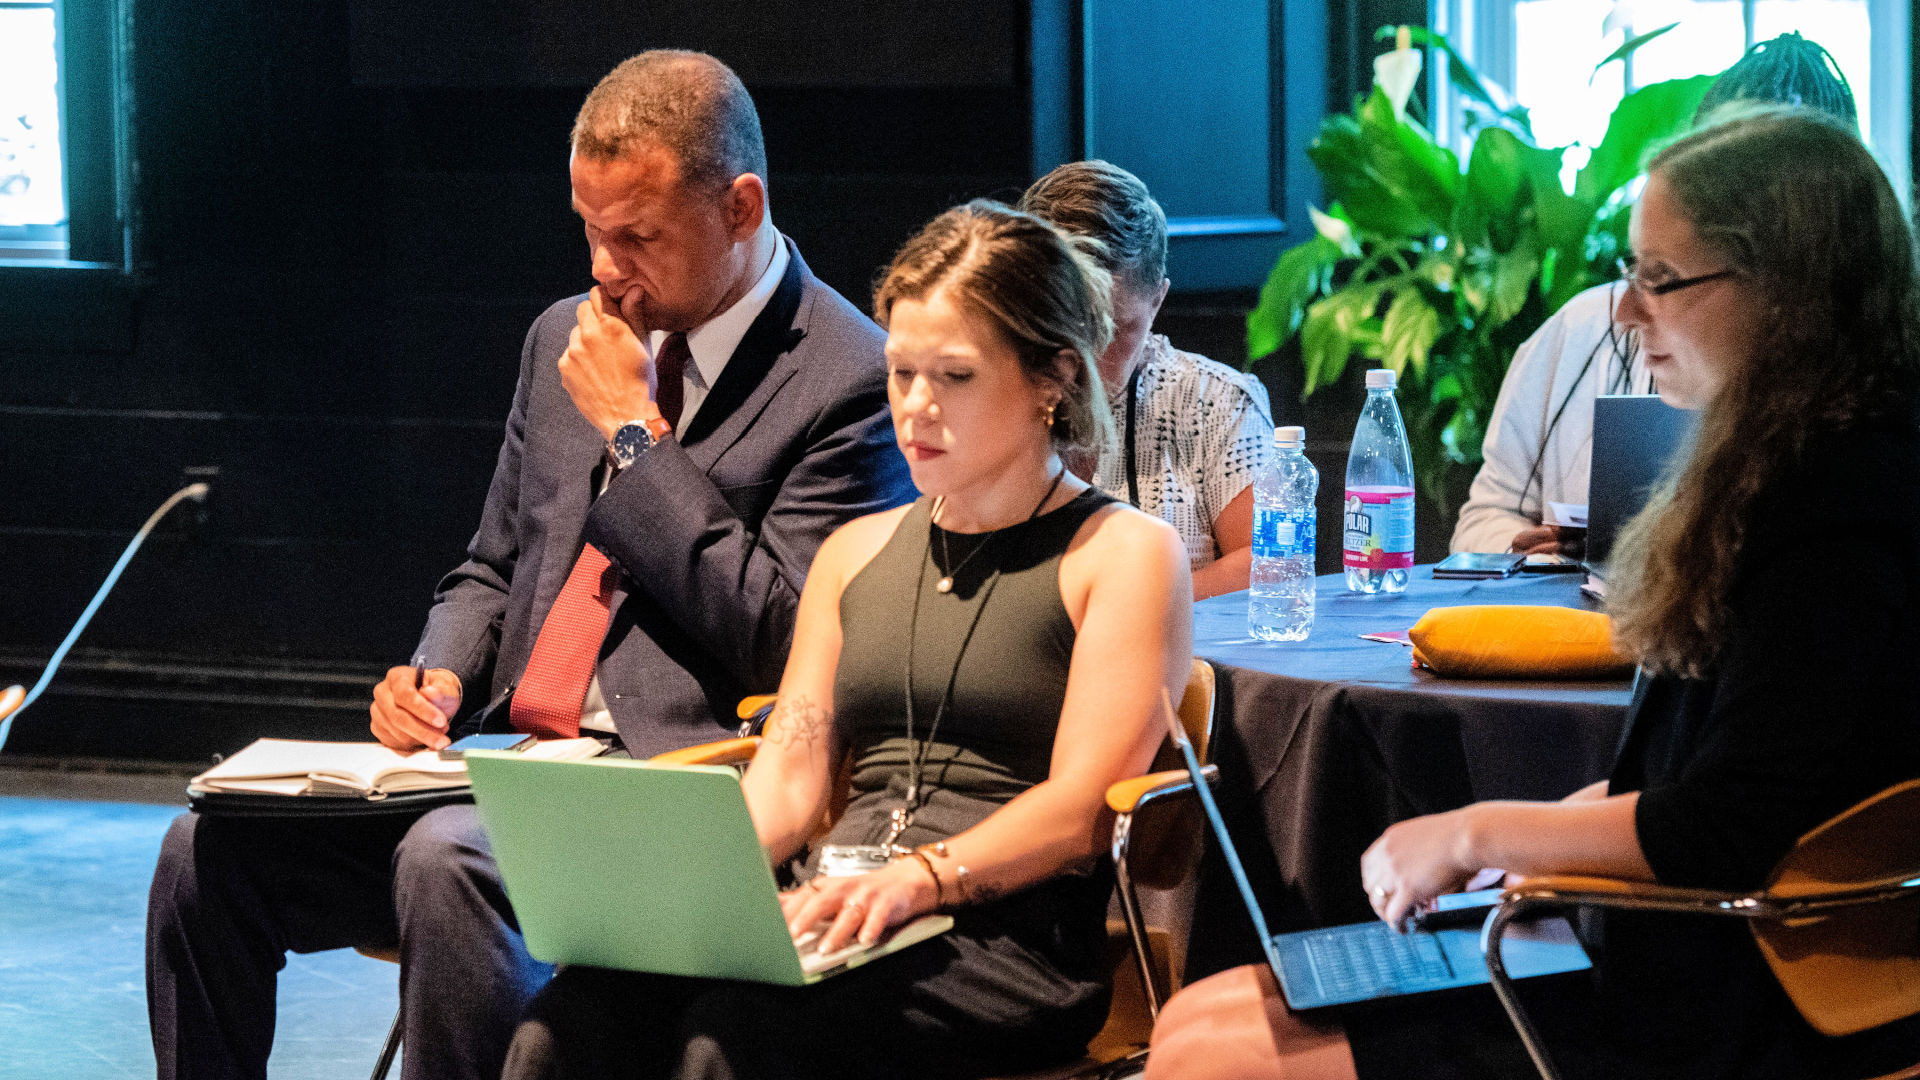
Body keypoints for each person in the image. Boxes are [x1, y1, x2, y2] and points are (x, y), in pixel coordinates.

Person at [145, 50, 915, 1080]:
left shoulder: (851, 381)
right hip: (500, 770)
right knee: (207, 853)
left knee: (444, 860)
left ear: (740, 208)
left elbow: (785, 636)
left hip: (676, 793)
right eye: (589, 230)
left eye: (637, 236)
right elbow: (490, 566)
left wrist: (637, 442)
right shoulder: (564, 335)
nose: (603, 267)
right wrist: (441, 672)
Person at [1147, 107, 1920, 1079]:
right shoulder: (1806, 477)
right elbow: (1721, 778)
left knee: (1217, 1054)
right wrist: (1520, 840)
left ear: (1785, 295)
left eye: (1658, 278)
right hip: (1687, 947)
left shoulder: (1838, 511)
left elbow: (1719, 829)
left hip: (1736, 995)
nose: (1628, 312)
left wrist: (1472, 831)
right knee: (1199, 1021)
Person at [499, 200, 1194, 1080]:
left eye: (955, 377)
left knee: (733, 1039)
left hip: (1003, 936)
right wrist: (673, 904)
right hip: (837, 902)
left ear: (1051, 379)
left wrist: (922, 878)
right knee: (567, 1024)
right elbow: (790, 777)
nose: (916, 407)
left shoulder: (1124, 554)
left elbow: (1085, 806)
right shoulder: (855, 552)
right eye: (902, 373)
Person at [1451, 32, 1859, 555]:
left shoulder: (1857, 429)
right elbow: (1486, 514)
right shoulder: (1584, 328)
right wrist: (1542, 553)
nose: (1630, 312)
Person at [1019, 160, 1276, 598]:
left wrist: (1124, 613)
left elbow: (1269, 563)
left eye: (1112, 329)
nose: (1083, 355)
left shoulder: (1216, 401)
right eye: (1064, 325)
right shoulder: (986, 397)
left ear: (1157, 300)